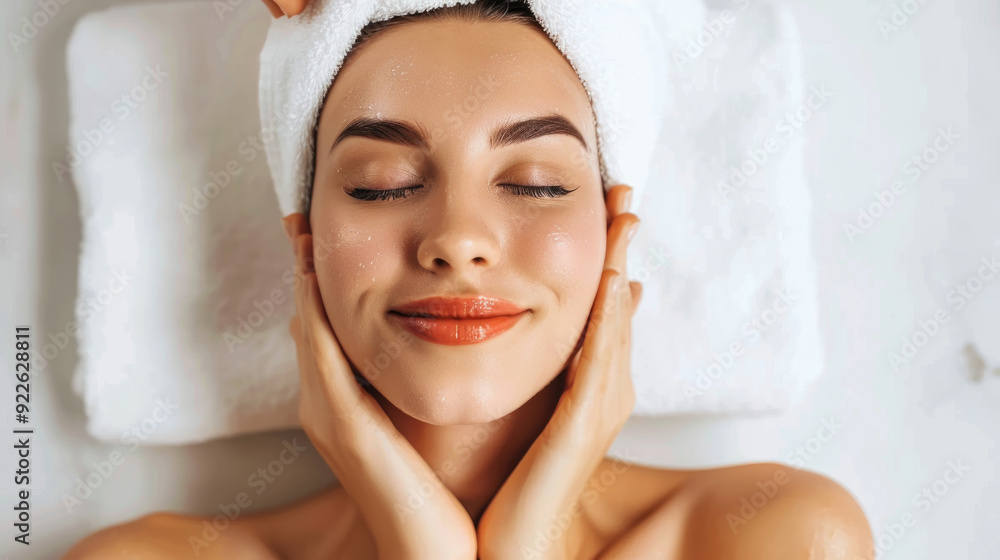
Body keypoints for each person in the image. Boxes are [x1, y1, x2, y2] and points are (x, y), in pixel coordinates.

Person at [65, 1, 873, 558]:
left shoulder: (775, 540)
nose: (457, 239)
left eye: (534, 182)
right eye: (381, 182)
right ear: (304, 236)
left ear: (614, 230)